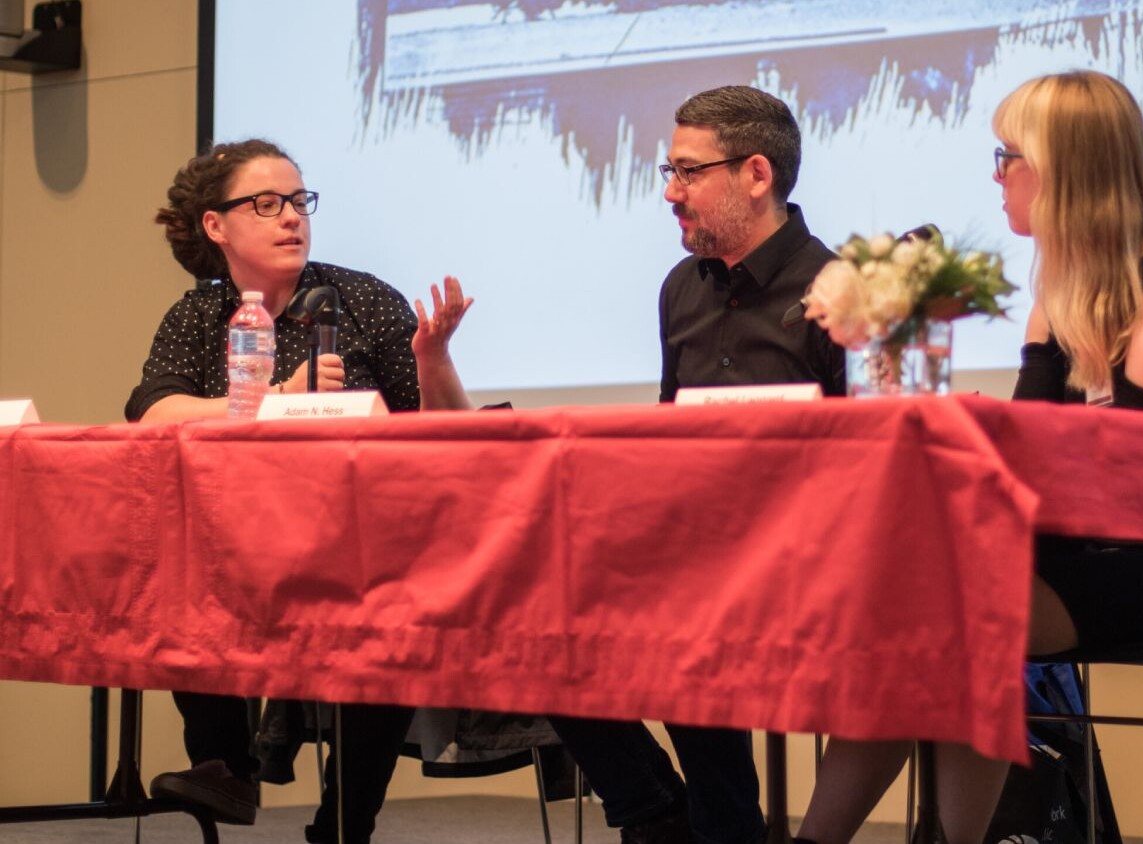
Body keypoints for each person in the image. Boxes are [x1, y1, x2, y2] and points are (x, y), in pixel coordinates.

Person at [796, 69, 1143, 844]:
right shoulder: (1061, 295)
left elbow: (1126, 498)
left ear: (1063, 171)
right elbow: (1036, 454)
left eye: (1007, 156)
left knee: (954, 620)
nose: (997, 176)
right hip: (1111, 554)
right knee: (914, 622)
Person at [125, 138, 472, 844]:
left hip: (361, 547)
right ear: (216, 226)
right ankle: (225, 768)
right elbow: (152, 412)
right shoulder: (200, 317)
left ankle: (345, 822)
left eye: (298, 201)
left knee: (388, 612)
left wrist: (433, 360)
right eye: (266, 204)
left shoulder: (363, 300)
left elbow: (450, 437)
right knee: (175, 560)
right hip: (244, 550)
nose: (291, 217)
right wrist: (273, 398)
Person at [546, 84, 844, 844]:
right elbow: (670, 429)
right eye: (668, 173)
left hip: (795, 552)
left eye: (687, 173)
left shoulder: (839, 291)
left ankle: (721, 829)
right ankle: (657, 811)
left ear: (755, 173)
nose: (671, 194)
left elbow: (859, 456)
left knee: (689, 613)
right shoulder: (680, 288)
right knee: (540, 614)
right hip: (688, 543)